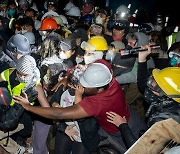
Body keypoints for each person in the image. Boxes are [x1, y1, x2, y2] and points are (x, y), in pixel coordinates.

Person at [13, 62, 146, 153]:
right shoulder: (105, 72)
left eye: (85, 85)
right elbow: (84, 66)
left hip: (117, 130)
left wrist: (28, 107)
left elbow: (59, 114)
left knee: (136, 150)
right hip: (128, 114)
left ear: (99, 89)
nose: (81, 87)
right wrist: (66, 77)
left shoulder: (96, 103)